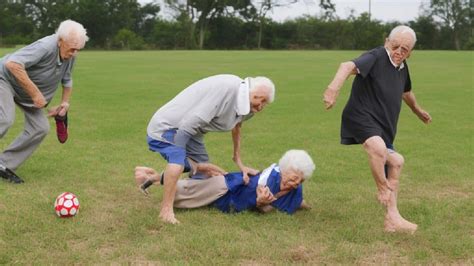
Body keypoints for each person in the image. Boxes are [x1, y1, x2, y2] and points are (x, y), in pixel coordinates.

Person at [323, 25, 432, 233]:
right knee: (378, 149)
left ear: (411, 52)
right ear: (386, 42)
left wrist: (417, 110)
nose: (399, 51)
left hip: (383, 125)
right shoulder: (376, 56)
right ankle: (383, 189)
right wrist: (333, 89)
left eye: (405, 49)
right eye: (396, 46)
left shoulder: (402, 66)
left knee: (397, 161)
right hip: (360, 116)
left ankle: (392, 219)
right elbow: (346, 66)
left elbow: (406, 92)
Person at [146, 74, 275, 223]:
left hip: (195, 132)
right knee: (179, 160)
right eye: (261, 100)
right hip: (169, 126)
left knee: (203, 173)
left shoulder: (248, 106)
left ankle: (154, 179)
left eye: (265, 103)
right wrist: (180, 158)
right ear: (252, 91)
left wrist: (239, 161)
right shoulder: (227, 89)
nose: (261, 107)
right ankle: (166, 211)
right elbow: (188, 125)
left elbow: (237, 126)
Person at [0, 20, 89, 184]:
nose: (74, 53)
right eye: (72, 48)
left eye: (78, 49)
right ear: (60, 40)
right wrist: (35, 94)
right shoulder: (45, 46)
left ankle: (4, 163)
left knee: (40, 128)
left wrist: (65, 103)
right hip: (5, 80)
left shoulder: (69, 54)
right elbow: (12, 64)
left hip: (28, 95)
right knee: (5, 119)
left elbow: (67, 79)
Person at [135, 149, 315, 214]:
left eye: (300, 181)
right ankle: (149, 176)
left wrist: (308, 207)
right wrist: (261, 203)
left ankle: (153, 175)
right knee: (178, 194)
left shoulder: (295, 191)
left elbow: (296, 203)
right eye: (292, 179)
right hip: (225, 188)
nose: (295, 184)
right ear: (283, 170)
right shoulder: (273, 174)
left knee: (193, 181)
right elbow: (264, 188)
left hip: (227, 199)